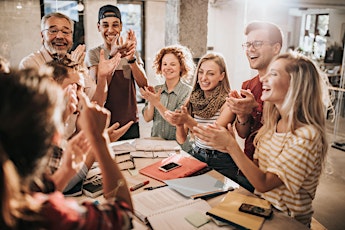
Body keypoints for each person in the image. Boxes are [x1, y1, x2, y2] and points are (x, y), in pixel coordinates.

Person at [193, 52, 328, 226]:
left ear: (295, 84)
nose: (263, 78)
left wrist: (231, 146)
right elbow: (256, 172)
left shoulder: (307, 136)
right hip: (260, 211)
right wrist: (228, 146)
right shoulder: (272, 126)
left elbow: (264, 183)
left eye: (274, 74)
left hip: (286, 223)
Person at [0, 68, 133, 229]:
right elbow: (123, 215)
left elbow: (35, 191)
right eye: (73, 87)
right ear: (56, 136)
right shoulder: (49, 215)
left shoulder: (12, 186)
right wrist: (100, 140)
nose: (77, 93)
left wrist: (65, 172)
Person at [225, 21, 283, 192]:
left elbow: (287, 127)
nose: (250, 49)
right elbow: (243, 133)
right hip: (248, 166)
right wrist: (242, 116)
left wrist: (256, 107)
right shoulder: (248, 85)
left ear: (276, 48)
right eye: (248, 44)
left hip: (275, 174)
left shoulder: (287, 85)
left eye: (257, 43)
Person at [164, 52, 236, 179]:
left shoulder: (228, 102)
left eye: (210, 73)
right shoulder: (193, 99)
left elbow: (210, 135)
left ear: (221, 76)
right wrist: (180, 124)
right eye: (201, 72)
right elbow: (181, 139)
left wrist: (187, 119)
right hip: (197, 154)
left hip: (221, 160)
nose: (203, 78)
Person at [85, 4, 148, 140]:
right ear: (98, 27)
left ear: (121, 27)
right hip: (104, 122)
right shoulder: (94, 54)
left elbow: (144, 84)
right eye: (105, 25)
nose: (110, 30)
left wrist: (131, 59)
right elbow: (96, 91)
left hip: (130, 122)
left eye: (115, 25)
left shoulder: (131, 51)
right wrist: (112, 57)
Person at [140, 44, 195, 152]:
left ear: (181, 67)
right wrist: (151, 101)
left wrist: (156, 103)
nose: (167, 68)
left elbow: (175, 120)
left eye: (173, 64)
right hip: (156, 147)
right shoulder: (156, 89)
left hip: (180, 149)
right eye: (164, 64)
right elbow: (147, 118)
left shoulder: (188, 92)